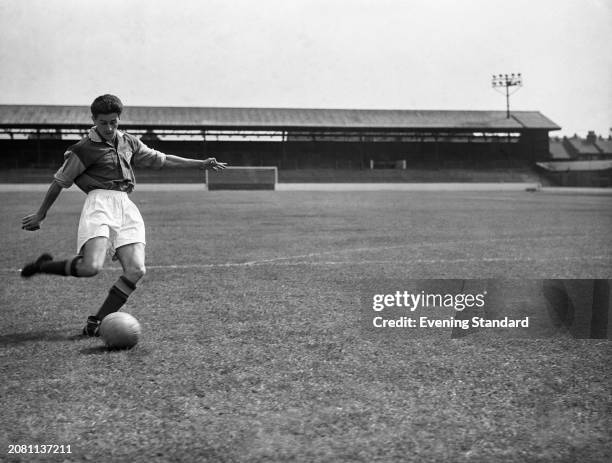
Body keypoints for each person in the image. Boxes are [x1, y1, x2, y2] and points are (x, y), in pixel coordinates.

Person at [20, 94, 227, 336]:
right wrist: (40, 214)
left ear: (119, 119)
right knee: (91, 267)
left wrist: (200, 164)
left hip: (126, 206)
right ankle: (44, 266)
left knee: (136, 270)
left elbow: (161, 158)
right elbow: (59, 182)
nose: (108, 128)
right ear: (93, 120)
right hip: (99, 204)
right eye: (103, 122)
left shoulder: (129, 142)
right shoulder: (83, 149)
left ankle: (96, 322)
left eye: (113, 122)